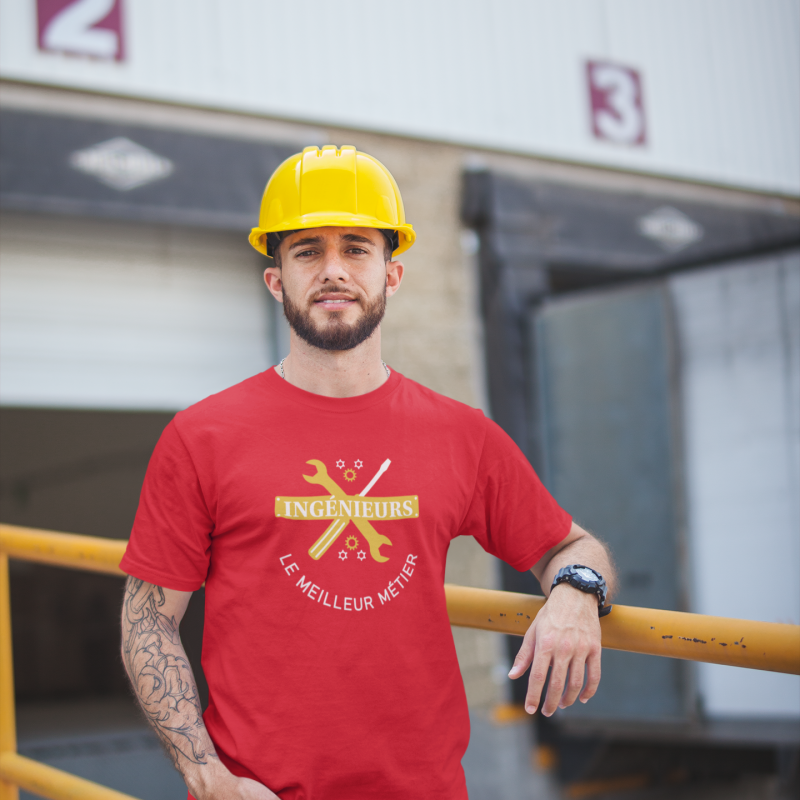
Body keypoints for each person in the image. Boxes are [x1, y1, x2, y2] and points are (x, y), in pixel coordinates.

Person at [120, 145, 616, 800]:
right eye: (306, 251)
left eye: (356, 248)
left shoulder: (461, 434)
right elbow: (147, 621)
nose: (333, 270)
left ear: (394, 274)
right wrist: (205, 775)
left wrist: (576, 595)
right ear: (276, 280)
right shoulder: (202, 436)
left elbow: (571, 546)